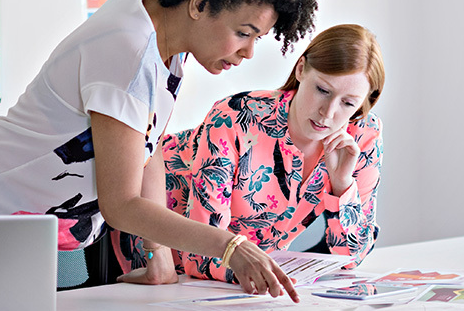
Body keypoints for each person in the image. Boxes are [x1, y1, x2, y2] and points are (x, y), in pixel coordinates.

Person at [0, 0, 318, 300]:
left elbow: (146, 147)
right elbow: (121, 205)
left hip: (32, 230)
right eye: (244, 32)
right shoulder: (130, 49)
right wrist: (231, 247)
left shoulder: (159, 23)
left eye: (257, 38)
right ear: (199, 4)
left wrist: (158, 253)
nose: (248, 52)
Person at [114, 24, 384, 285]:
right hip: (152, 254)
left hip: (238, 280)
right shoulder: (234, 118)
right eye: (322, 90)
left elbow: (351, 258)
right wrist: (268, 274)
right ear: (301, 70)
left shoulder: (362, 138)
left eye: (348, 103)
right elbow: (199, 257)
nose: (328, 112)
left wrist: (342, 185)